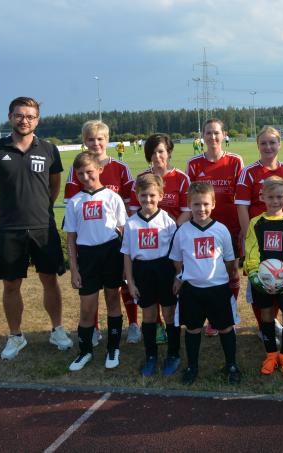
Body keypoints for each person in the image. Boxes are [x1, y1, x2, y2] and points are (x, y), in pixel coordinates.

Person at [0, 96, 72, 360]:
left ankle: (57, 330)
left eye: (30, 116)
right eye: (20, 115)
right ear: (10, 117)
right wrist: (7, 213)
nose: (25, 120)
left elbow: (54, 187)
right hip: (9, 230)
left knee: (50, 281)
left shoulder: (49, 149)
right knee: (11, 285)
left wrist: (41, 210)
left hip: (43, 228)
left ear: (37, 120)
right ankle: (15, 336)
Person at [64, 120, 137, 346]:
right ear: (84, 141)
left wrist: (124, 232)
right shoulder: (77, 169)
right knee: (92, 290)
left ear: (107, 140)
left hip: (113, 241)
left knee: (119, 286)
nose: (95, 143)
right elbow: (73, 205)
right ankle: (93, 328)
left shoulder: (121, 168)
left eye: (100, 139)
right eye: (90, 139)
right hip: (88, 245)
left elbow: (130, 202)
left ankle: (133, 323)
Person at [169, 181, 242, 385]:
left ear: (213, 204)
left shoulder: (221, 230)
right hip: (192, 291)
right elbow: (176, 259)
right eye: (196, 205)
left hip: (218, 289)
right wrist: (181, 275)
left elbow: (229, 261)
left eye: (205, 204)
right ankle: (192, 366)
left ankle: (231, 364)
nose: (201, 209)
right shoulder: (182, 231)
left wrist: (223, 278)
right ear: (189, 205)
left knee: (226, 328)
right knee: (192, 329)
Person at [63, 152, 127, 371]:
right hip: (87, 257)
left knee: (112, 300)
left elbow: (123, 231)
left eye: (89, 171)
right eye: (80, 174)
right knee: (87, 308)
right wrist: (74, 269)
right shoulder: (74, 202)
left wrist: (126, 266)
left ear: (99, 169)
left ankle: (113, 347)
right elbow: (71, 238)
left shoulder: (112, 197)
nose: (85, 177)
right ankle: (85, 351)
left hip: (111, 253)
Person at [235, 127, 283, 339]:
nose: (268, 147)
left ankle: (272, 320)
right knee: (260, 281)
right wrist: (249, 238)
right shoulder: (249, 172)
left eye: (272, 142)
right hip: (259, 238)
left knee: (279, 276)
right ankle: (266, 326)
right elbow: (242, 207)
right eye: (263, 143)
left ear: (280, 144)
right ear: (258, 146)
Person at [129, 133, 192, 344]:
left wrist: (171, 231)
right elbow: (134, 211)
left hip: (172, 238)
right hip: (147, 244)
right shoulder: (141, 179)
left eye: (161, 151)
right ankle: (155, 327)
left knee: (169, 289)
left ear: (169, 152)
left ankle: (175, 327)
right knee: (148, 288)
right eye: (153, 152)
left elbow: (187, 211)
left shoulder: (181, 178)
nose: (157, 156)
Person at [187, 119, 244, 337]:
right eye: (208, 133)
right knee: (208, 272)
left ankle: (227, 314)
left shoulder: (235, 161)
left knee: (231, 272)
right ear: (203, 136)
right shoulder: (194, 164)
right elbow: (191, 198)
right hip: (202, 228)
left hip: (229, 227)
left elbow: (241, 198)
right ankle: (212, 318)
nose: (212, 137)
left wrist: (240, 228)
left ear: (224, 135)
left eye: (216, 133)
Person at [244, 177, 283, 378]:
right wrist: (254, 276)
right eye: (270, 197)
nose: (275, 201)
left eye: (279, 196)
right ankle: (271, 355)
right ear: (262, 197)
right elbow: (251, 251)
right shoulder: (256, 223)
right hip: (262, 281)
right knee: (266, 316)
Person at [121, 174, 180, 377]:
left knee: (169, 314)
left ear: (161, 195)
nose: (148, 200)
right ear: (137, 196)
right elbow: (127, 255)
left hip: (164, 270)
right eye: (143, 195)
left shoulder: (168, 222)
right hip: (142, 271)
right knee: (149, 316)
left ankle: (173, 354)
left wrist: (177, 277)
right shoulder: (131, 223)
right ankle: (151, 356)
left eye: (152, 195)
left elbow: (176, 254)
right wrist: (130, 282)